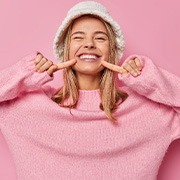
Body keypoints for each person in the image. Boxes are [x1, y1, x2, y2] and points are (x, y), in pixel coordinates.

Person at [0, 1, 180, 180]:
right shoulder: (27, 109)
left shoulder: (149, 111)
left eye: (100, 38)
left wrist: (148, 78)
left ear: (112, 50)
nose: (89, 44)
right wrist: (25, 72)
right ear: (65, 49)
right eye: (78, 37)